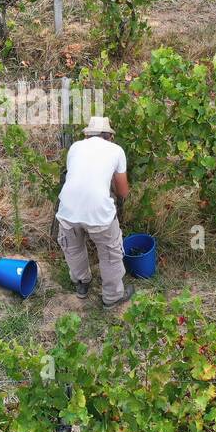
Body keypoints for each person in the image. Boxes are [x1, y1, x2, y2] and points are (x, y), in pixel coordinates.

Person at [56, 116, 135, 307]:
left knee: (73, 248)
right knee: (110, 253)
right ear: (110, 136)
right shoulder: (116, 150)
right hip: (99, 212)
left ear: (87, 135)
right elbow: (123, 192)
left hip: (67, 208)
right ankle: (112, 297)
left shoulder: (75, 147)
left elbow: (77, 178)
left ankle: (81, 283)